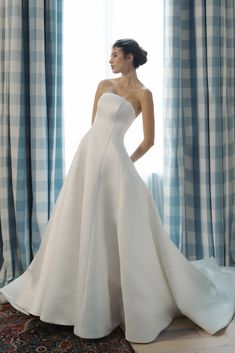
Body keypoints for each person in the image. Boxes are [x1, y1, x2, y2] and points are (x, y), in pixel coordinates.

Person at [1, 38, 235, 344]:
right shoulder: (104, 84)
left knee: (112, 228)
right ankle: (64, 297)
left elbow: (149, 140)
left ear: (129, 57)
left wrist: (126, 161)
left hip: (115, 164)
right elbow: (93, 125)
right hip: (88, 157)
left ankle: (106, 302)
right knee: (77, 221)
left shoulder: (144, 94)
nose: (110, 61)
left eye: (114, 56)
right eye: (110, 56)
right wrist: (98, 155)